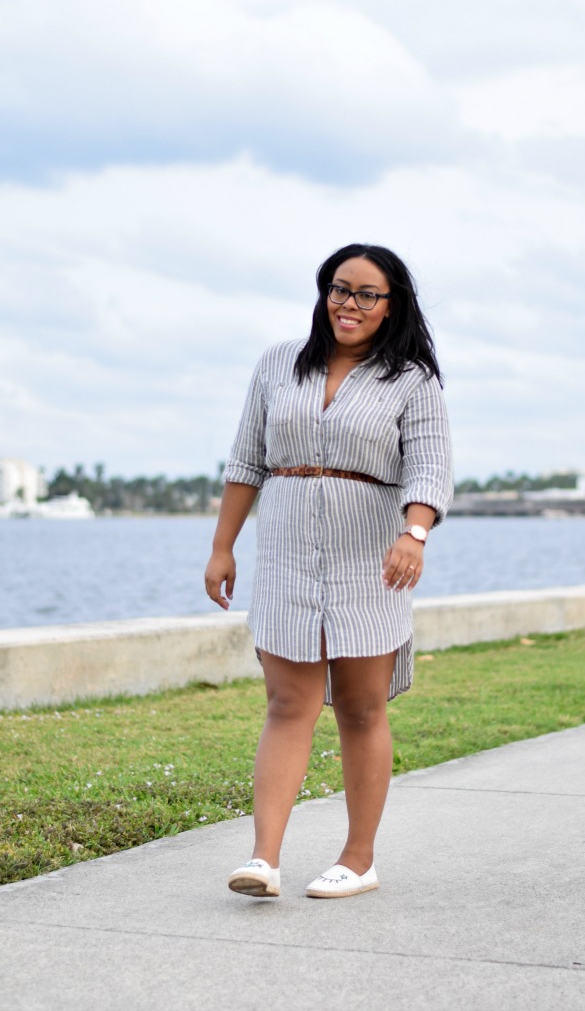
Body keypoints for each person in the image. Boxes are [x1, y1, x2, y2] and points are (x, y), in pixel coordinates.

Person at [204, 243, 453, 899]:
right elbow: (245, 460)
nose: (350, 304)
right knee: (287, 703)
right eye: (340, 289)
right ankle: (263, 859)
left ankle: (358, 858)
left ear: (392, 305)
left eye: (368, 294)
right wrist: (223, 547)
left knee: (362, 710)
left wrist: (414, 533)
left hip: (371, 560)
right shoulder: (277, 364)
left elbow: (429, 467)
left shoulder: (413, 380)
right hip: (286, 554)